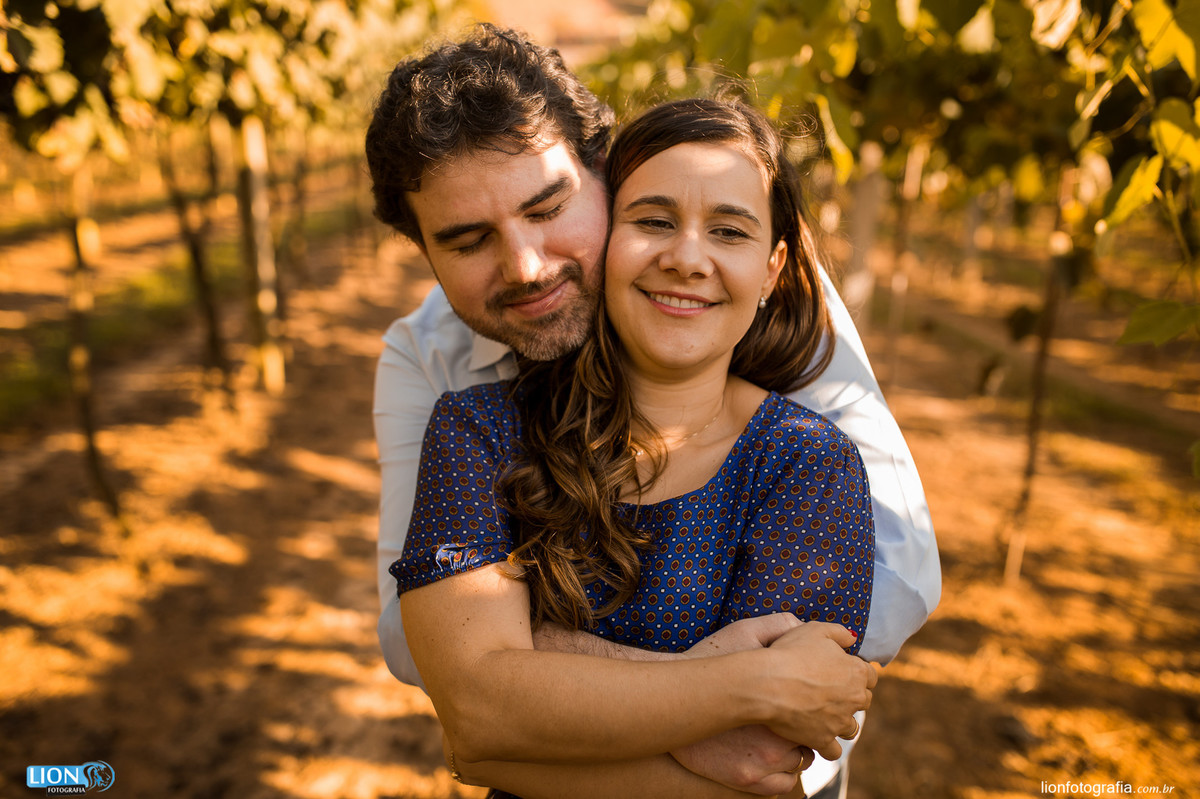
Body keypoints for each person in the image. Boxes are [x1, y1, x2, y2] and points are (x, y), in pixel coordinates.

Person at [365, 23, 940, 798]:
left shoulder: (761, 323)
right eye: (468, 240)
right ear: (423, 253)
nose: (527, 266)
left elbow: (892, 585)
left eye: (547, 208)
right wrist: (738, 683)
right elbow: (441, 674)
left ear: (603, 174)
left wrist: (532, 692)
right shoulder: (445, 389)